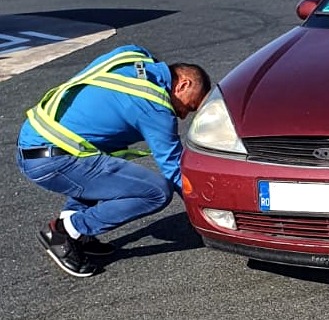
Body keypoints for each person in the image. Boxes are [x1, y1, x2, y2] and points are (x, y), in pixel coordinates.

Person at [16, 44, 211, 277]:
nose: (183, 115)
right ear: (183, 84)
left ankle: (75, 227)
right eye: (190, 106)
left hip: (34, 141)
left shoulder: (132, 56)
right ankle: (66, 232)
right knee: (157, 192)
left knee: (110, 164)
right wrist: (205, 212)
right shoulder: (155, 106)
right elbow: (174, 169)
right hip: (53, 160)